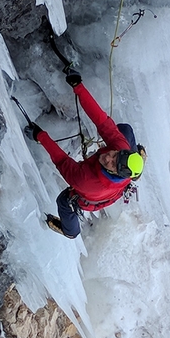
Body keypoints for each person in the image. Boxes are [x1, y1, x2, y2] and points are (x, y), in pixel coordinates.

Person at [24, 69, 146, 238]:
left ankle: (70, 231)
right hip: (117, 185)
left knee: (64, 201)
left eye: (112, 163)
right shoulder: (120, 146)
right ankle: (136, 171)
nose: (108, 157)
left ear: (117, 172)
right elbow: (101, 120)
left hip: (91, 198)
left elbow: (61, 161)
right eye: (115, 155)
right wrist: (79, 87)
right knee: (125, 130)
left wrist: (40, 136)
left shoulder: (85, 180)